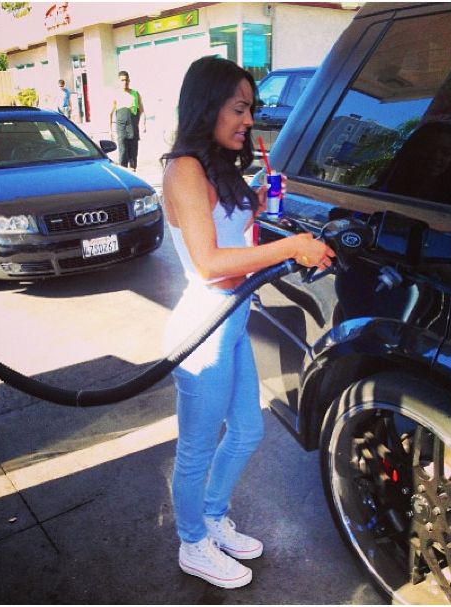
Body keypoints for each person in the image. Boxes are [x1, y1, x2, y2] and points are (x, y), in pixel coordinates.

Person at [161, 56, 335, 589]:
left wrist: (257, 201)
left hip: (233, 317)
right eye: (239, 109)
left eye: (250, 109)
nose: (249, 120)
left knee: (246, 430)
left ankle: (213, 516)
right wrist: (293, 246)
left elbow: (229, 229)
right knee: (196, 447)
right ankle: (192, 542)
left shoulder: (218, 166)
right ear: (207, 106)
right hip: (205, 326)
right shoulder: (184, 169)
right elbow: (210, 262)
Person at [372, 121, 451, 206]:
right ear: (412, 151)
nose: (436, 156)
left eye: (446, 152)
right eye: (430, 149)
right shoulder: (382, 189)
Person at [110, 70, 146, 172]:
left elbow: (142, 111)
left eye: (126, 80)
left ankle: (133, 171)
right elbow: (110, 113)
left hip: (133, 127)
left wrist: (143, 124)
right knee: (123, 152)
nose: (124, 82)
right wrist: (110, 130)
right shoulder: (115, 95)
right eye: (122, 80)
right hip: (121, 128)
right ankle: (123, 172)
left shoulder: (135, 94)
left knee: (133, 153)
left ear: (129, 80)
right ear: (119, 81)